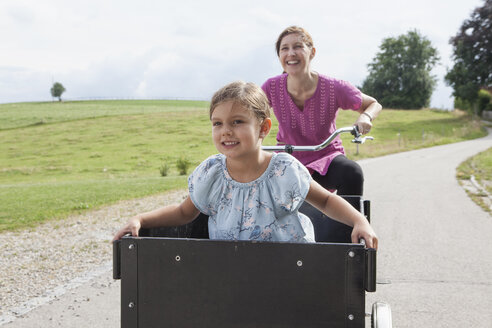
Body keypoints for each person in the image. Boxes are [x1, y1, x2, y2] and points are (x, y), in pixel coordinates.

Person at [113, 81, 377, 248]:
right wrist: (139, 218)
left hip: (291, 268)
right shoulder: (212, 173)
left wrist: (359, 221)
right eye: (218, 123)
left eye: (237, 122)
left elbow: (327, 202)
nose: (226, 131)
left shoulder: (284, 169)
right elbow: (184, 212)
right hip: (232, 270)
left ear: (263, 128)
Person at [262, 26, 382, 196]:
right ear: (280, 56)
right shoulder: (271, 87)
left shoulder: (333, 87)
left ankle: (347, 222)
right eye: (284, 48)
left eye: (297, 46)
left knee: (352, 173)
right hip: (287, 159)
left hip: (326, 157)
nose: (291, 53)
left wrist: (366, 116)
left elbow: (373, 104)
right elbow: (250, 113)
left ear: (312, 52)